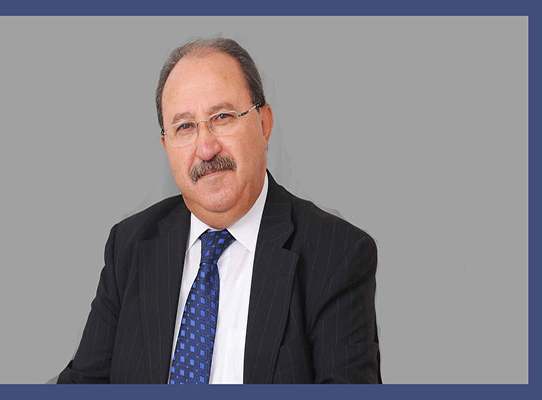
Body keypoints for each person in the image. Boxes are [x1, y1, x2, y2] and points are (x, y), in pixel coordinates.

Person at [57, 38, 380, 384]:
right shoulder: (129, 246)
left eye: (222, 117)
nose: (206, 148)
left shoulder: (337, 255)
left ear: (264, 124)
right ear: (166, 145)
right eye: (184, 127)